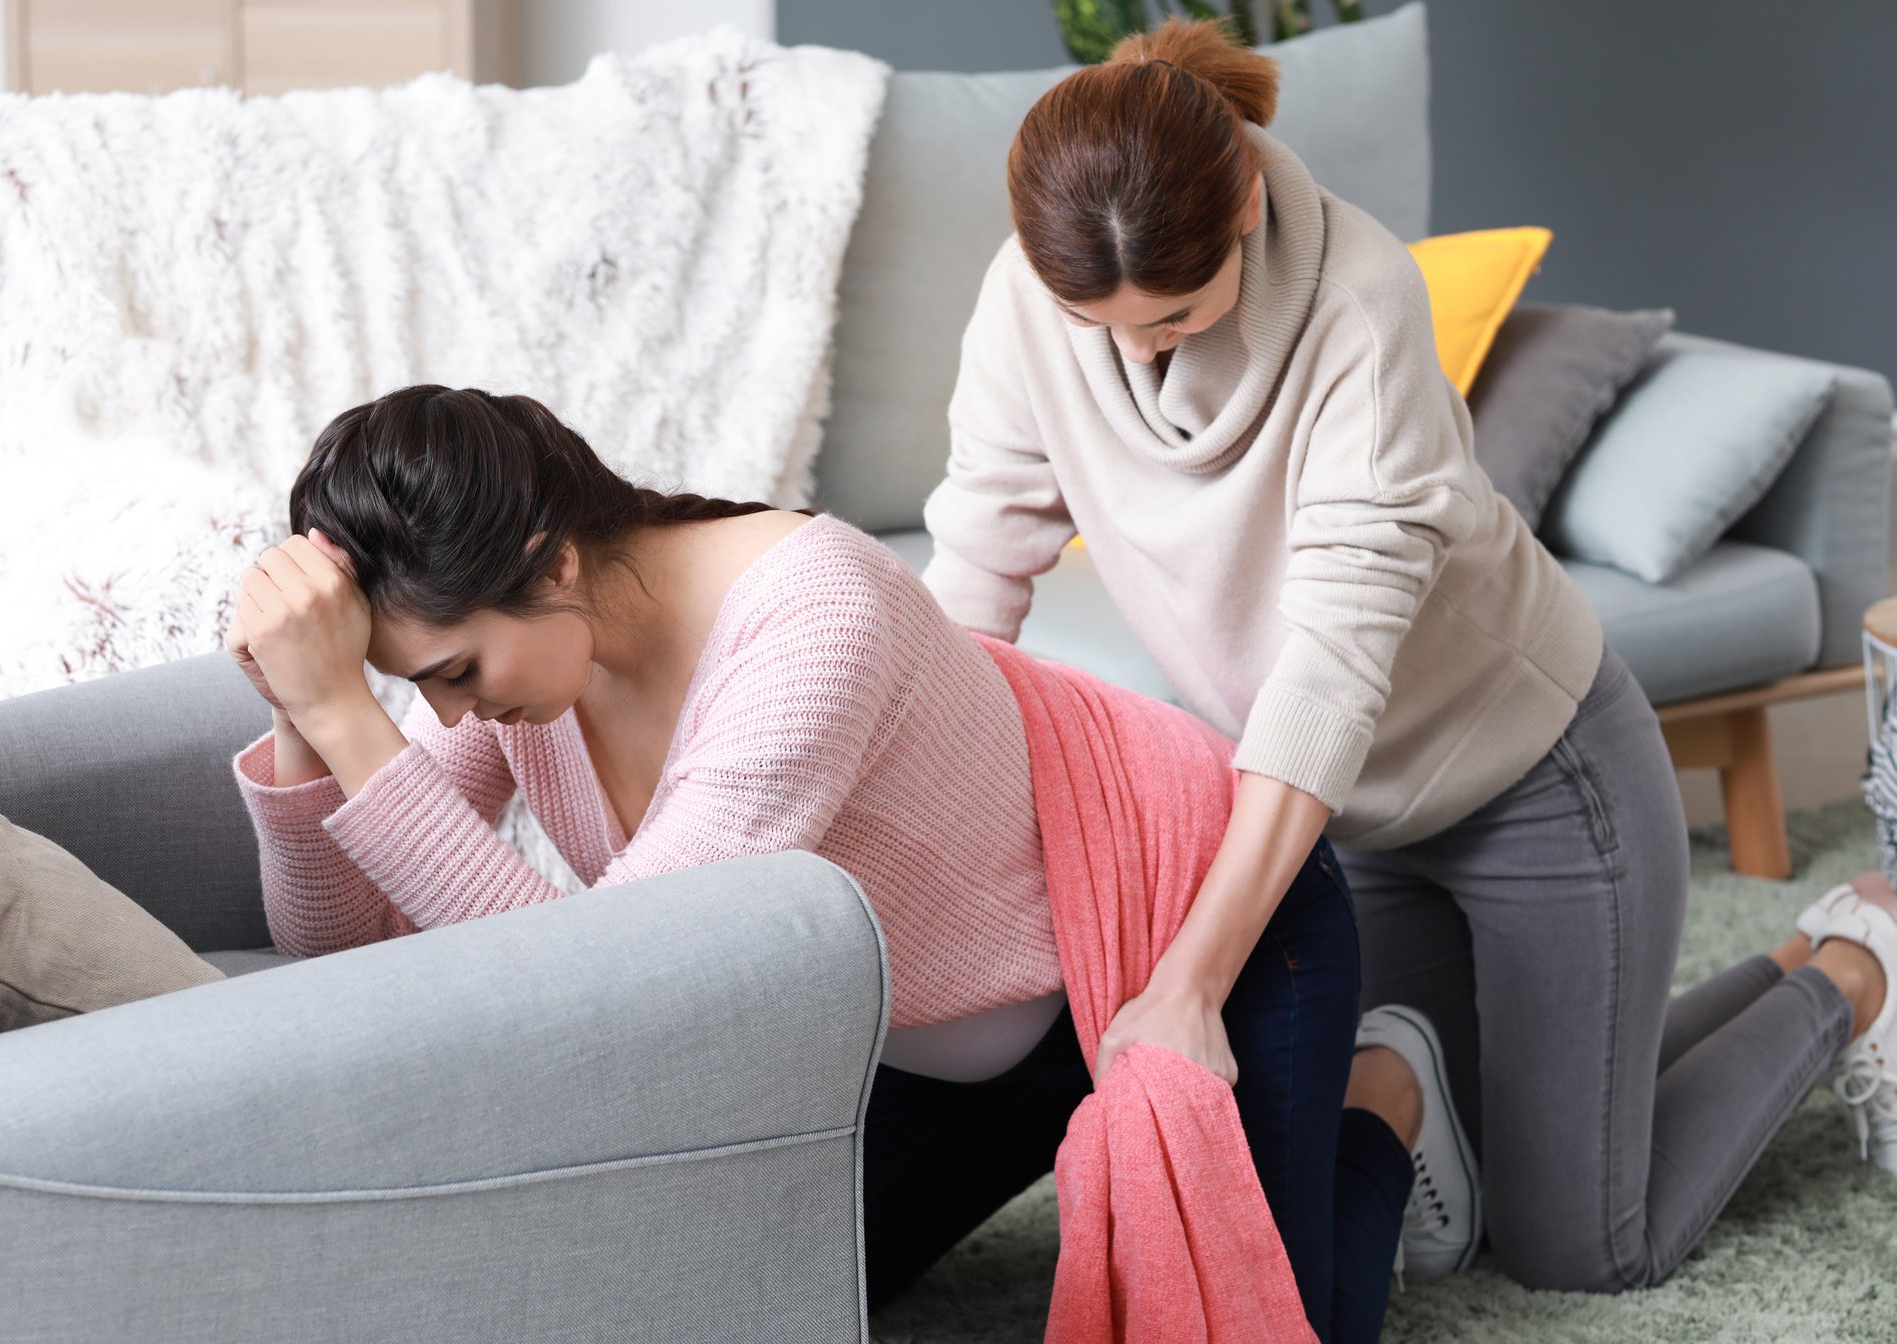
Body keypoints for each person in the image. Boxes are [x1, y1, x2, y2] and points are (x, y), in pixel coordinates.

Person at [919, 15, 1897, 1294]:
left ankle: (1855, 965)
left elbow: (1328, 669)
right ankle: (1768, 970)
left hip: (1543, 789)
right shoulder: (1030, 297)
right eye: (1095, 321)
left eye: (1174, 315)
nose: (1135, 348)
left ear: (1246, 220)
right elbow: (978, 564)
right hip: (1355, 820)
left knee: (1583, 1247)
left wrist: (1190, 984)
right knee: (1497, 1129)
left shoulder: (1361, 308)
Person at [220, 382, 1412, 1339]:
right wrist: (302, 711)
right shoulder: (533, 669)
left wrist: (353, 721)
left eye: (454, 676)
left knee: (1278, 1320)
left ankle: (1385, 1092)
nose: (452, 717)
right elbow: (334, 939)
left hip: (1180, 916)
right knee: (752, 1303)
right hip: (946, 1029)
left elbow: (610, 987)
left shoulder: (813, 618)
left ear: (553, 563)